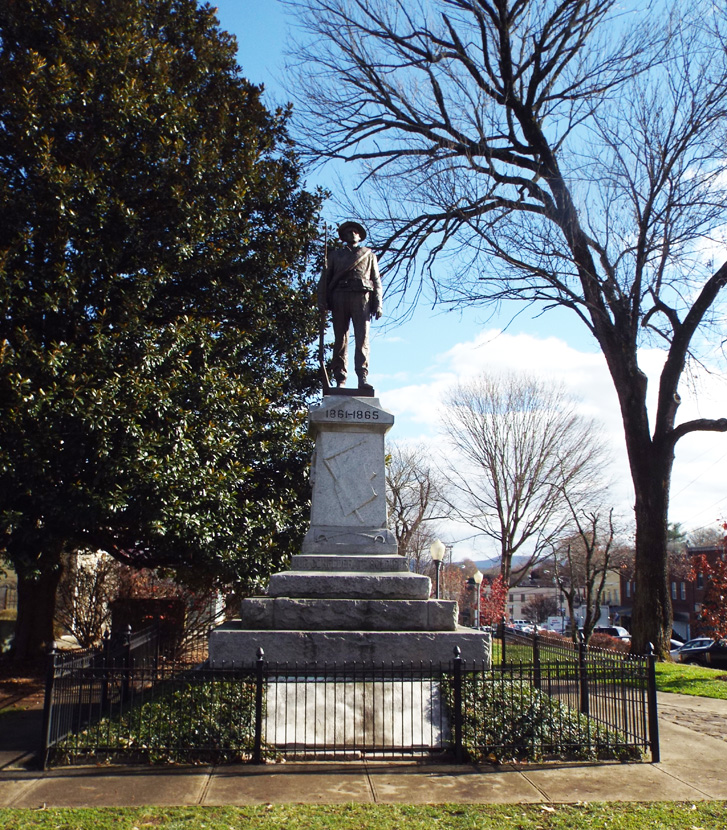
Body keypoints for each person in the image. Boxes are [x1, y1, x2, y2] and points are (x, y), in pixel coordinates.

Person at [318, 220, 383, 390]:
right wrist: (322, 300)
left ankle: (362, 376)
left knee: (362, 338)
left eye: (355, 231)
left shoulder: (368, 255)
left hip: (362, 298)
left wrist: (378, 303)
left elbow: (376, 280)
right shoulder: (334, 255)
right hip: (339, 296)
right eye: (348, 231)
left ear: (360, 235)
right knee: (341, 339)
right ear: (343, 236)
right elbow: (325, 278)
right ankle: (340, 377)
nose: (352, 233)